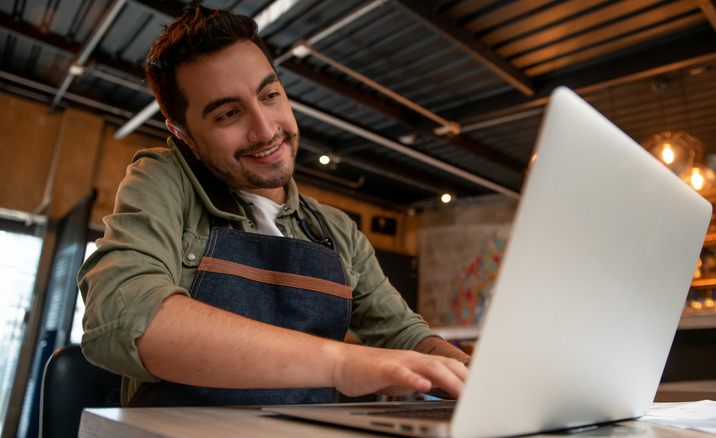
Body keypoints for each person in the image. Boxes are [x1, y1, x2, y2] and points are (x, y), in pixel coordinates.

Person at [77, 5, 469, 408]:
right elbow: (123, 318)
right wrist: (340, 363)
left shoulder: (336, 229)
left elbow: (405, 336)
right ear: (184, 136)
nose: (266, 130)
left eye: (270, 95)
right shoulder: (163, 180)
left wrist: (475, 376)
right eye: (228, 114)